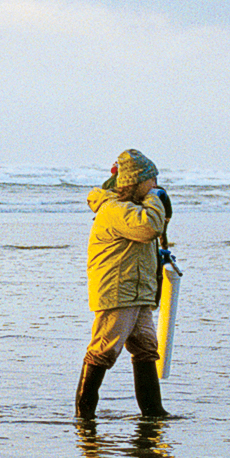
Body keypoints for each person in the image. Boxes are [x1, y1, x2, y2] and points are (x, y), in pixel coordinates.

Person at [75, 147, 172, 421]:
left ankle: (153, 411)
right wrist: (155, 198)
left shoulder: (132, 209)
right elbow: (150, 227)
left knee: (146, 348)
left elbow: (153, 231)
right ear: (137, 182)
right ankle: (83, 414)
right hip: (117, 292)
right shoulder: (116, 210)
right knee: (104, 349)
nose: (155, 185)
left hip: (137, 292)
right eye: (151, 181)